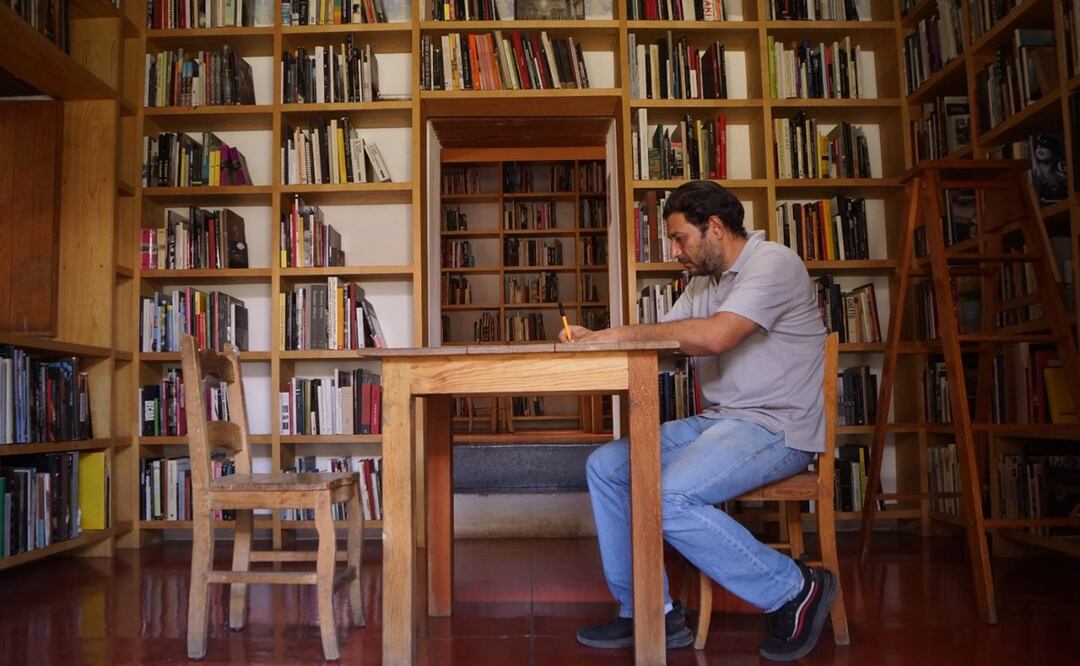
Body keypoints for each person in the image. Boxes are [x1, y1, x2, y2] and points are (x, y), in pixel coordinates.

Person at [561, 180, 835, 662]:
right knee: (606, 465)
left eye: (679, 238)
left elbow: (714, 337)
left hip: (777, 428)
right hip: (720, 422)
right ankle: (649, 610)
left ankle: (794, 589)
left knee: (668, 496)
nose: (673, 251)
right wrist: (596, 338)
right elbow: (666, 341)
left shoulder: (773, 263)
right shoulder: (705, 283)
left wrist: (613, 335)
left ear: (714, 227)